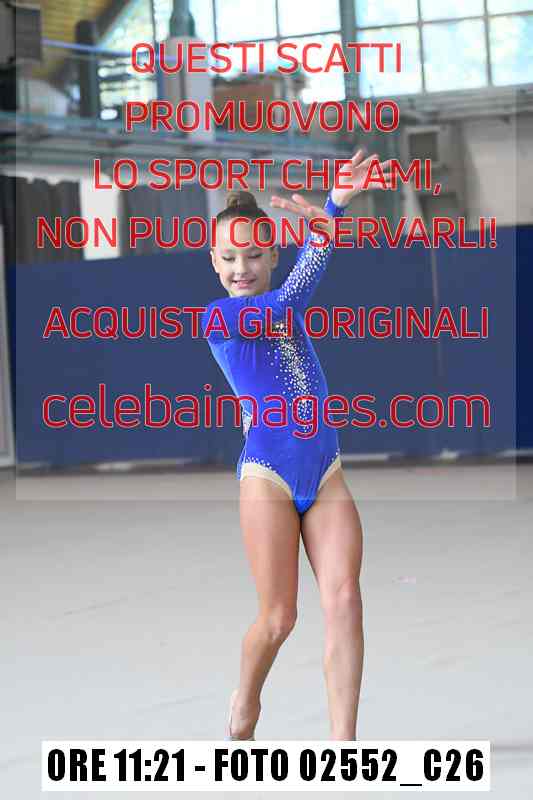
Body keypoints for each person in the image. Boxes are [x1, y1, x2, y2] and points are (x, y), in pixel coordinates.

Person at [201, 148, 393, 740]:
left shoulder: (286, 307)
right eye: (229, 257)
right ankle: (246, 699)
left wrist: (327, 221)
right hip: (269, 474)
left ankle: (344, 748)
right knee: (279, 616)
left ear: (272, 254)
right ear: (213, 260)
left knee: (345, 599)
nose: (241, 267)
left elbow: (291, 300)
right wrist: (331, 212)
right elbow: (287, 300)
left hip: (324, 468)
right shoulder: (221, 319)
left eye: (254, 255)